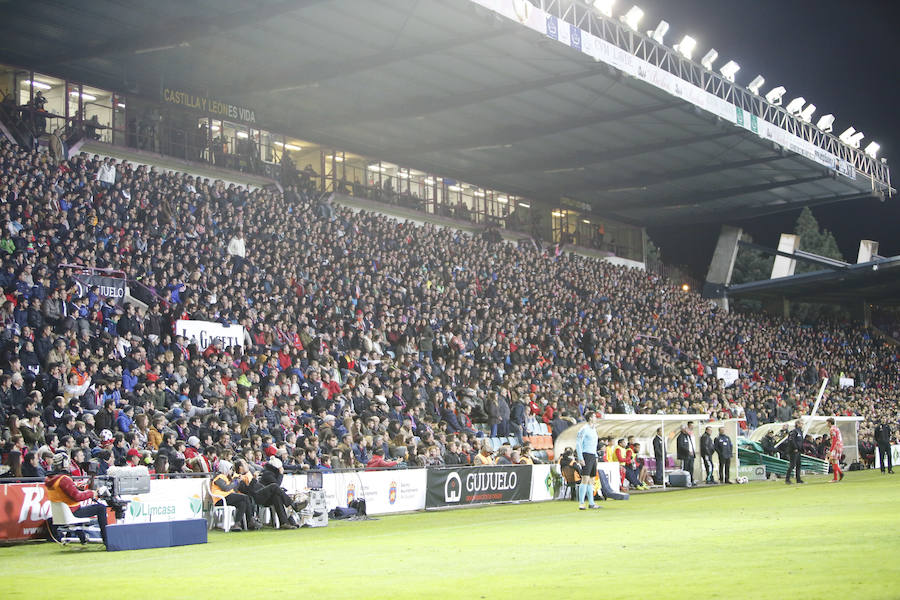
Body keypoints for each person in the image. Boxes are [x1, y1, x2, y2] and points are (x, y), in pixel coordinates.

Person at [44, 452, 108, 545]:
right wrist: (91, 493)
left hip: (62, 512)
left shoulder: (49, 479)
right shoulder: (64, 479)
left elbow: (68, 491)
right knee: (101, 508)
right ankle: (106, 539)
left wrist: (81, 488)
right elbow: (77, 496)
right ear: (64, 463)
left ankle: (83, 538)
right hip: (73, 511)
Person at [235, 458, 298, 529]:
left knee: (276, 496)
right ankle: (293, 504)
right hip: (255, 497)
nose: (247, 465)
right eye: (245, 464)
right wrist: (254, 479)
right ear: (240, 467)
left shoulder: (248, 474)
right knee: (274, 486)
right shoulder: (239, 478)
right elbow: (248, 491)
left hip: (260, 493)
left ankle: (284, 522)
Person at [210, 460, 259, 531]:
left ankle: (237, 524)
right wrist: (236, 482)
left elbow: (232, 487)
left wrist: (236, 481)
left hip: (227, 497)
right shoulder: (219, 477)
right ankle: (250, 520)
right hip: (220, 499)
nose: (231, 471)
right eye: (230, 469)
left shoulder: (227, 477)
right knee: (245, 497)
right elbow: (226, 488)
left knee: (242, 503)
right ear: (225, 468)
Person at [574, 412, 600, 510]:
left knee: (591, 480)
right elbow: (578, 443)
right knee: (585, 479)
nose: (596, 418)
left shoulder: (594, 430)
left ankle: (591, 503)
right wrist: (580, 457)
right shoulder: (584, 429)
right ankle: (581, 503)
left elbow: (594, 444)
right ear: (589, 418)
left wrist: (596, 456)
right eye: (594, 416)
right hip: (586, 455)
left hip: (593, 455)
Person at [785, 420, 804, 485]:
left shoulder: (800, 432)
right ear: (798, 424)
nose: (802, 425)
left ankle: (798, 479)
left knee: (798, 465)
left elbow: (800, 441)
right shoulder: (794, 431)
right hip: (794, 451)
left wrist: (801, 449)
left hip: (798, 451)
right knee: (792, 465)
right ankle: (787, 479)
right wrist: (795, 447)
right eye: (801, 423)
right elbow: (791, 440)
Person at [827, 417, 844, 483]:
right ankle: (839, 474)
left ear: (830, 423)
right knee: (833, 460)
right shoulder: (836, 428)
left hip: (836, 446)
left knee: (833, 460)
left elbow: (834, 439)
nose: (827, 424)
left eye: (827, 423)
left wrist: (831, 449)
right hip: (840, 445)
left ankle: (836, 478)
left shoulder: (832, 429)